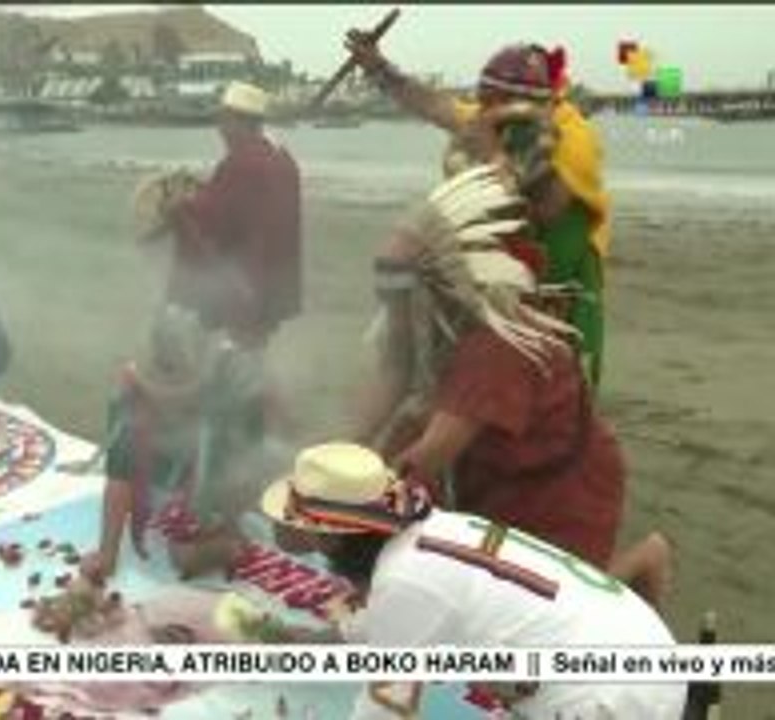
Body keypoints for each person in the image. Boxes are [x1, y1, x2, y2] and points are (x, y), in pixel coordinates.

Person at [348, 165, 669, 604]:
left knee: (545, 600)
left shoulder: (495, 347)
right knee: (487, 580)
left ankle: (642, 561)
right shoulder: (437, 315)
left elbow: (427, 458)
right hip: (501, 462)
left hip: (561, 482)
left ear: (437, 288)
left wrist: (343, 502)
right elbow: (395, 371)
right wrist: (339, 453)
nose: (396, 312)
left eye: (403, 300)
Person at [259, 442, 687, 720]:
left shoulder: (403, 579)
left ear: (332, 535)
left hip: (611, 698)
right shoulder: (438, 531)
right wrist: (311, 644)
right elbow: (390, 623)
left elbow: (387, 707)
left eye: (303, 526)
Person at [343, 33, 611, 389]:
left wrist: (490, 152)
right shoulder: (495, 117)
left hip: (560, 275)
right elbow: (435, 106)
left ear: (521, 102)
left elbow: (547, 210)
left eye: (492, 102)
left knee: (556, 382)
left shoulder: (576, 139)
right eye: (482, 100)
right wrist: (380, 68)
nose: (482, 110)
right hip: (510, 264)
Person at [80, 305, 291, 583]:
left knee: (183, 555)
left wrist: (219, 519)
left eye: (178, 386)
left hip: (227, 473)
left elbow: (245, 461)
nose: (167, 398)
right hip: (179, 472)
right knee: (156, 508)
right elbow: (119, 479)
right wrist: (107, 553)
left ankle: (230, 541)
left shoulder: (227, 392)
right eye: (160, 382)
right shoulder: (131, 398)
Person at [168, 81, 302, 353]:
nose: (220, 129)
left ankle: (239, 369)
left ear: (239, 122)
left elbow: (214, 215)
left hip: (248, 269)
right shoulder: (282, 157)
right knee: (258, 334)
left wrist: (181, 208)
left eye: (224, 121)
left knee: (241, 338)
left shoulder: (241, 162)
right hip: (279, 266)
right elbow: (239, 201)